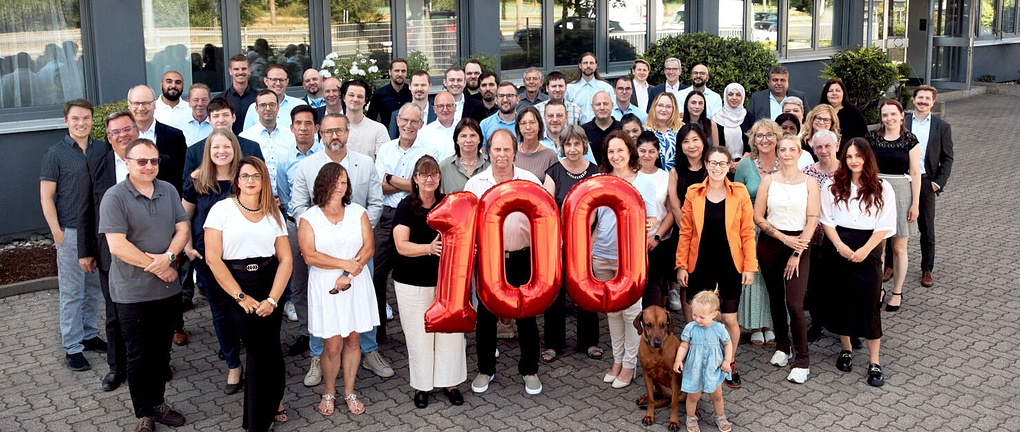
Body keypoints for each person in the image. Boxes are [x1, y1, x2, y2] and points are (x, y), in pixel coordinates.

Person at [289, 113, 389, 383]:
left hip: (358, 249)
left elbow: (375, 203)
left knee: (361, 302)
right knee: (322, 306)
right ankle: (317, 355)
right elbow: (298, 207)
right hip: (322, 249)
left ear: (348, 133)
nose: (334, 136)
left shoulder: (365, 163)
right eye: (328, 131)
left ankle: (369, 351)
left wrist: (359, 231)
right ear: (320, 134)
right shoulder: (307, 166)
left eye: (339, 131)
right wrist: (316, 231)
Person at [99, 138, 189, 432]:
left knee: (161, 352)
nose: (149, 166)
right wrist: (160, 268)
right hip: (132, 292)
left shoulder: (168, 190)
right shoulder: (114, 197)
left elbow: (183, 227)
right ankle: (144, 414)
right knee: (138, 354)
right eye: (141, 161)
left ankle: (159, 403)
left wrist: (170, 257)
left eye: (153, 161)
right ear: (127, 163)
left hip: (167, 291)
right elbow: (117, 245)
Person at [204, 156, 293, 431]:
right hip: (235, 287)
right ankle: (257, 422)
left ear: (264, 180)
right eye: (245, 176)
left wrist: (273, 299)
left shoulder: (273, 213)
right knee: (257, 349)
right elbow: (213, 258)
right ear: (237, 181)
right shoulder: (221, 210)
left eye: (256, 176)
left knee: (271, 345)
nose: (251, 181)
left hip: (269, 285)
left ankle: (275, 401)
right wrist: (240, 297)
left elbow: (286, 259)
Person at [465, 129, 544, 396]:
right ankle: (485, 369)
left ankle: (530, 370)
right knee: (486, 316)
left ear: (515, 151)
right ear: (488, 152)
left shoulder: (530, 181)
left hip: (523, 256)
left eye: (506, 149)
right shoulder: (475, 184)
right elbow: (467, 224)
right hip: (489, 260)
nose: (501, 155)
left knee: (526, 315)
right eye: (496, 149)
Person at [298, 162, 377, 415]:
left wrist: (348, 274)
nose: (340, 187)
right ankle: (329, 391)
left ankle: (349, 391)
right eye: (335, 182)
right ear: (323, 184)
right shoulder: (308, 218)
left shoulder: (358, 212)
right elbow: (309, 255)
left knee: (353, 340)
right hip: (326, 285)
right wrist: (344, 265)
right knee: (332, 344)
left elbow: (368, 248)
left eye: (344, 182)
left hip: (355, 281)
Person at [675, 146, 756, 391]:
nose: (717, 168)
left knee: (729, 318)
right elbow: (686, 231)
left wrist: (749, 266)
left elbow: (747, 232)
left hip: (731, 261)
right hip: (700, 261)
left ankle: (729, 363)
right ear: (706, 164)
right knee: (699, 316)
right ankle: (697, 362)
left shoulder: (739, 192)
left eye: (722, 163)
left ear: (729, 166)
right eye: (713, 163)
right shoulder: (694, 192)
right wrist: (681, 265)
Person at [819, 138, 896, 387]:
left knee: (870, 303)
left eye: (858, 156)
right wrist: (840, 246)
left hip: (868, 248)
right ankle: (846, 349)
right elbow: (826, 219)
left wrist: (864, 250)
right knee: (842, 299)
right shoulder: (832, 185)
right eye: (849, 156)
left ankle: (875, 362)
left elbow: (885, 225)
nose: (854, 161)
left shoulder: (883, 187)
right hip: (838, 246)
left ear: (867, 157)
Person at [393, 156, 468, 409]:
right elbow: (401, 246)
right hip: (412, 282)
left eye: (434, 174)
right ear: (415, 178)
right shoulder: (406, 207)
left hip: (447, 282)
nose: (429, 179)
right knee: (419, 336)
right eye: (424, 174)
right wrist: (429, 248)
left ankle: (451, 383)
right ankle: (422, 386)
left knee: (450, 334)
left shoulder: (449, 204)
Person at [41, 99, 107, 372]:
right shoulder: (55, 154)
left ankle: (89, 335)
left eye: (86, 118)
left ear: (92, 120)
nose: (81, 123)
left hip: (98, 231)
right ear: (66, 121)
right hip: (70, 231)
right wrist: (57, 233)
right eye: (76, 118)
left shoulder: (102, 148)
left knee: (93, 288)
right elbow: (46, 196)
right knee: (72, 292)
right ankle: (72, 346)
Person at [181, 129, 246, 397]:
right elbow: (184, 216)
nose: (221, 151)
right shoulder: (197, 181)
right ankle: (233, 365)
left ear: (234, 149)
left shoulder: (246, 177)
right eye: (215, 147)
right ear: (208, 151)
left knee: (244, 307)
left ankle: (251, 356)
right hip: (208, 256)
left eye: (226, 146)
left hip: (243, 257)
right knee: (220, 311)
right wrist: (186, 246)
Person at [78, 110, 138, 392]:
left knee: (150, 313)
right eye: (115, 132)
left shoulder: (153, 161)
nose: (122, 135)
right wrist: (85, 252)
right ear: (108, 137)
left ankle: (155, 363)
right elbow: (85, 213)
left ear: (136, 130)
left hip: (149, 251)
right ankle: (117, 367)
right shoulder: (95, 167)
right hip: (109, 255)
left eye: (126, 129)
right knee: (114, 314)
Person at [753, 135, 820, 384]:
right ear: (778, 153)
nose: (787, 153)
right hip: (770, 244)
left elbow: (812, 219)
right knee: (775, 298)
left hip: (799, 245)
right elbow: (758, 217)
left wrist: (796, 252)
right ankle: (783, 345)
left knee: (794, 302)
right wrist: (783, 239)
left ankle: (802, 359)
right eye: (783, 149)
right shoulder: (768, 180)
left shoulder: (810, 183)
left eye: (792, 149)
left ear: (800, 153)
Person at [594, 131, 658, 389]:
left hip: (631, 258)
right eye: (611, 151)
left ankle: (630, 365)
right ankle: (617, 360)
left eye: (620, 150)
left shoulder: (644, 181)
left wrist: (648, 226)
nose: (616, 155)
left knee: (632, 311)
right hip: (602, 253)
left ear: (630, 151)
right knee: (612, 310)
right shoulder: (600, 180)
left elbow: (653, 219)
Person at [541, 125, 601, 363]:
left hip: (585, 242)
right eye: (568, 144)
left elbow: (599, 208)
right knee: (556, 292)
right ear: (562, 147)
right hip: (558, 242)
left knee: (587, 290)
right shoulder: (553, 172)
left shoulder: (595, 172)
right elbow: (546, 209)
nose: (573, 148)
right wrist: (557, 237)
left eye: (577, 144)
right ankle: (553, 344)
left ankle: (589, 342)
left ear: (584, 145)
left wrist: (590, 238)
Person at [733, 119, 781, 374]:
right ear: (753, 139)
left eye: (770, 135)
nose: (765, 140)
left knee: (775, 276)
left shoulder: (785, 161)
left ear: (777, 137)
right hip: (750, 228)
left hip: (780, 227)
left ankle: (771, 322)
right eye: (760, 136)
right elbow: (737, 198)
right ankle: (754, 324)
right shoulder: (745, 165)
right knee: (755, 276)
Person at [866, 99, 920, 312]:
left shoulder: (910, 140)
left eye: (893, 114)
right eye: (885, 115)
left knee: (899, 247)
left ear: (901, 115)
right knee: (878, 247)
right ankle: (878, 288)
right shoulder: (872, 137)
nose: (889, 118)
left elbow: (915, 172)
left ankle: (897, 291)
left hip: (901, 192)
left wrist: (915, 203)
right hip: (876, 190)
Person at [906, 85, 954, 287]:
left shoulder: (942, 127)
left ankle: (927, 269)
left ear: (933, 102)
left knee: (926, 228)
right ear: (914, 99)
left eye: (927, 98)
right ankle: (890, 264)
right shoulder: (903, 121)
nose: (923, 101)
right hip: (902, 181)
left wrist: (937, 183)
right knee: (895, 225)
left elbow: (948, 158)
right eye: (920, 97)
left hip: (926, 182)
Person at [673, 290, 734, 432]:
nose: (697, 319)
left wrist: (727, 360)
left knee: (717, 396)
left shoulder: (719, 329)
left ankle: (720, 416)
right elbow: (684, 345)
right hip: (694, 369)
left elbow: (727, 343)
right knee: (693, 396)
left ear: (714, 314)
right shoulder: (690, 328)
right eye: (694, 315)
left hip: (713, 368)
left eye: (702, 317)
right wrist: (678, 360)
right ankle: (691, 417)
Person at [665, 124, 709, 316]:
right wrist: (690, 233)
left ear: (703, 142)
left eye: (695, 140)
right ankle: (690, 326)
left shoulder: (711, 168)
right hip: (684, 234)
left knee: (709, 283)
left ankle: (709, 323)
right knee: (686, 283)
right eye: (686, 141)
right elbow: (675, 205)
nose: (691, 145)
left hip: (710, 233)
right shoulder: (675, 172)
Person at [802, 131, 840, 344]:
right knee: (814, 282)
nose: (824, 151)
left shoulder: (847, 170)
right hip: (814, 236)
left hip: (841, 237)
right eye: (819, 147)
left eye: (828, 146)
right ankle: (817, 322)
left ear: (836, 146)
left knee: (840, 283)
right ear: (813, 149)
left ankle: (846, 327)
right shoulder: (807, 173)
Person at [182, 97, 265, 180]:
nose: (221, 120)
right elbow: (187, 184)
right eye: (216, 116)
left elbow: (262, 178)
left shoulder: (252, 148)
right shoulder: (194, 151)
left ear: (233, 117)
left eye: (225, 115)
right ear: (209, 120)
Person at [638, 131, 675, 309]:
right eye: (642, 151)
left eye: (651, 151)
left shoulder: (665, 177)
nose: (647, 155)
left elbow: (671, 212)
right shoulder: (630, 175)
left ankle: (653, 321)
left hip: (658, 241)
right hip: (633, 242)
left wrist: (657, 237)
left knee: (655, 285)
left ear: (658, 152)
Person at [127, 84, 188, 194]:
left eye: (146, 103)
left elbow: (182, 175)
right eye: (136, 103)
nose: (141, 108)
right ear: (129, 105)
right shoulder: (120, 138)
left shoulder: (174, 136)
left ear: (155, 104)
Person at [240, 89, 296, 196]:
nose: (268, 108)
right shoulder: (245, 137)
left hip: (288, 198)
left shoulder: (291, 136)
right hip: (257, 198)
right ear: (256, 109)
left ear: (278, 107)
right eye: (263, 105)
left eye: (272, 105)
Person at [242, 64, 307, 130]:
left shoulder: (300, 105)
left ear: (287, 82)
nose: (278, 83)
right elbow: (247, 135)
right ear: (266, 81)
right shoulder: (254, 108)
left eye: (281, 80)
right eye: (274, 79)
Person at [439, 118, 490, 194]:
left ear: (479, 139)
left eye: (473, 135)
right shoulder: (445, 167)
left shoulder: (490, 164)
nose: (468, 140)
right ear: (456, 140)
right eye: (463, 136)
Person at [343, 79, 390, 161]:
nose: (355, 99)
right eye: (351, 95)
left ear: (366, 100)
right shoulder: (333, 127)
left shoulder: (379, 129)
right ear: (344, 97)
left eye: (360, 96)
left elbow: (385, 161)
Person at [388, 70, 437, 139]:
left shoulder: (438, 114)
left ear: (430, 86)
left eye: (423, 85)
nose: (419, 89)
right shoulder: (396, 114)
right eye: (416, 85)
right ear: (410, 86)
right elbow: (392, 142)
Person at [566, 52, 614, 123]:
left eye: (591, 63)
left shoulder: (606, 88)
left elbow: (613, 111)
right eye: (585, 63)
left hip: (600, 127)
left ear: (596, 66)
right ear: (580, 65)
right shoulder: (569, 89)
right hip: (577, 128)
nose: (588, 66)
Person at [818, 78, 868, 144]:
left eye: (838, 90)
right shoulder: (819, 113)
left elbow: (862, 136)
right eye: (830, 91)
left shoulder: (854, 112)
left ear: (843, 93)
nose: (834, 93)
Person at [514, 106, 559, 179]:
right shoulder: (512, 152)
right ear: (518, 127)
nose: (528, 127)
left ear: (539, 126)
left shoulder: (550, 155)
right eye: (523, 123)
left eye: (532, 122)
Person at [366, 58, 411, 131]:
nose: (400, 74)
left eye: (403, 71)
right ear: (390, 72)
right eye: (397, 71)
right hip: (387, 135)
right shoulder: (379, 94)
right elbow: (370, 120)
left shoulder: (412, 92)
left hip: (409, 134)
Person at [713, 83, 750, 165]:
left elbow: (752, 145)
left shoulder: (749, 117)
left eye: (738, 95)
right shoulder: (716, 119)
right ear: (725, 96)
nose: (734, 98)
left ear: (743, 97)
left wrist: (740, 163)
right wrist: (728, 163)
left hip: (746, 163)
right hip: (722, 164)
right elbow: (716, 147)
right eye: (730, 94)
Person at [645, 92, 683, 171]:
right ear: (654, 107)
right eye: (660, 105)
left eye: (668, 106)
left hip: (678, 176)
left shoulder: (681, 130)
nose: (663, 109)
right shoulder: (645, 131)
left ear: (674, 109)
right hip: (652, 176)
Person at [581, 91, 621, 163]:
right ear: (592, 107)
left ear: (612, 105)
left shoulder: (622, 128)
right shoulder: (583, 131)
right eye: (598, 104)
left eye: (605, 104)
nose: (602, 108)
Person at [418, 91, 459, 162]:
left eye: (449, 105)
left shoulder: (463, 130)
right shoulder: (425, 133)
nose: (445, 109)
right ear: (434, 109)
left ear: (455, 107)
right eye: (440, 106)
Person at [224, 54, 257, 134]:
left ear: (249, 70)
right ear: (230, 71)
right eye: (236, 69)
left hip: (253, 140)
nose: (240, 72)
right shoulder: (222, 99)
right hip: (229, 140)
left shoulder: (258, 98)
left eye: (244, 69)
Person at [480, 82, 519, 146]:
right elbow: (483, 150)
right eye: (501, 96)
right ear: (496, 100)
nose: (505, 100)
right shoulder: (485, 124)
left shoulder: (524, 123)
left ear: (517, 99)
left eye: (509, 95)